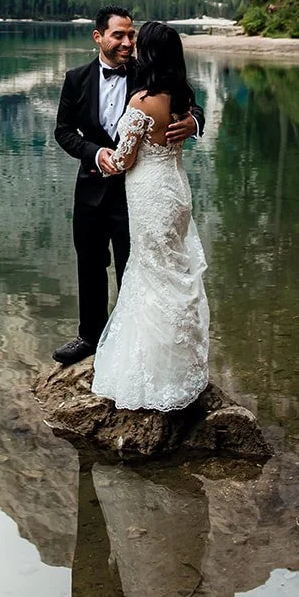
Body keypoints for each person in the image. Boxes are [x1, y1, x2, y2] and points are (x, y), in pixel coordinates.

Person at [52, 7, 204, 366]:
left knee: (133, 266)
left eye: (131, 35)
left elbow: (189, 101)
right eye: (118, 35)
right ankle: (89, 337)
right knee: (89, 263)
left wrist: (194, 122)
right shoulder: (76, 78)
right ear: (98, 37)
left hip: (138, 194)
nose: (126, 42)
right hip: (90, 187)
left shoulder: (147, 73)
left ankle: (132, 342)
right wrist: (93, 152)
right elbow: (63, 131)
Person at [90, 21, 209, 411]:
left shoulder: (141, 102)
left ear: (151, 53)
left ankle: (153, 374)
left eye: (138, 43)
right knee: (173, 272)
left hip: (150, 195)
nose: (132, 48)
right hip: (176, 192)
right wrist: (191, 121)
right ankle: (183, 366)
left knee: (152, 274)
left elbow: (124, 158)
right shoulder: (179, 97)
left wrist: (103, 164)